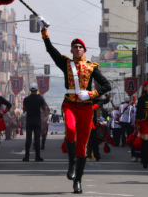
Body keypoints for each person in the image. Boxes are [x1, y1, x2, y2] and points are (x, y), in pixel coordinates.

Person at [37, 16, 111, 194]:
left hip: (86, 108)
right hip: (69, 104)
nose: (77, 48)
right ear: (71, 50)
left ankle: (78, 180)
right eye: (74, 46)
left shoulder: (92, 67)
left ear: (84, 50)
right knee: (70, 129)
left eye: (80, 47)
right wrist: (44, 31)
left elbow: (107, 86)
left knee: (83, 145)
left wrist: (91, 94)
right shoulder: (66, 63)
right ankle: (71, 162)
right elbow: (50, 50)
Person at [23, 83, 46, 162]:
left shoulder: (26, 99)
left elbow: (24, 109)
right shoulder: (40, 99)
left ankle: (27, 157)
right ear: (37, 90)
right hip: (37, 121)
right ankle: (37, 157)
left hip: (29, 121)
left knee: (28, 139)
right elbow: (43, 108)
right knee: (37, 139)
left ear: (30, 89)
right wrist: (42, 99)